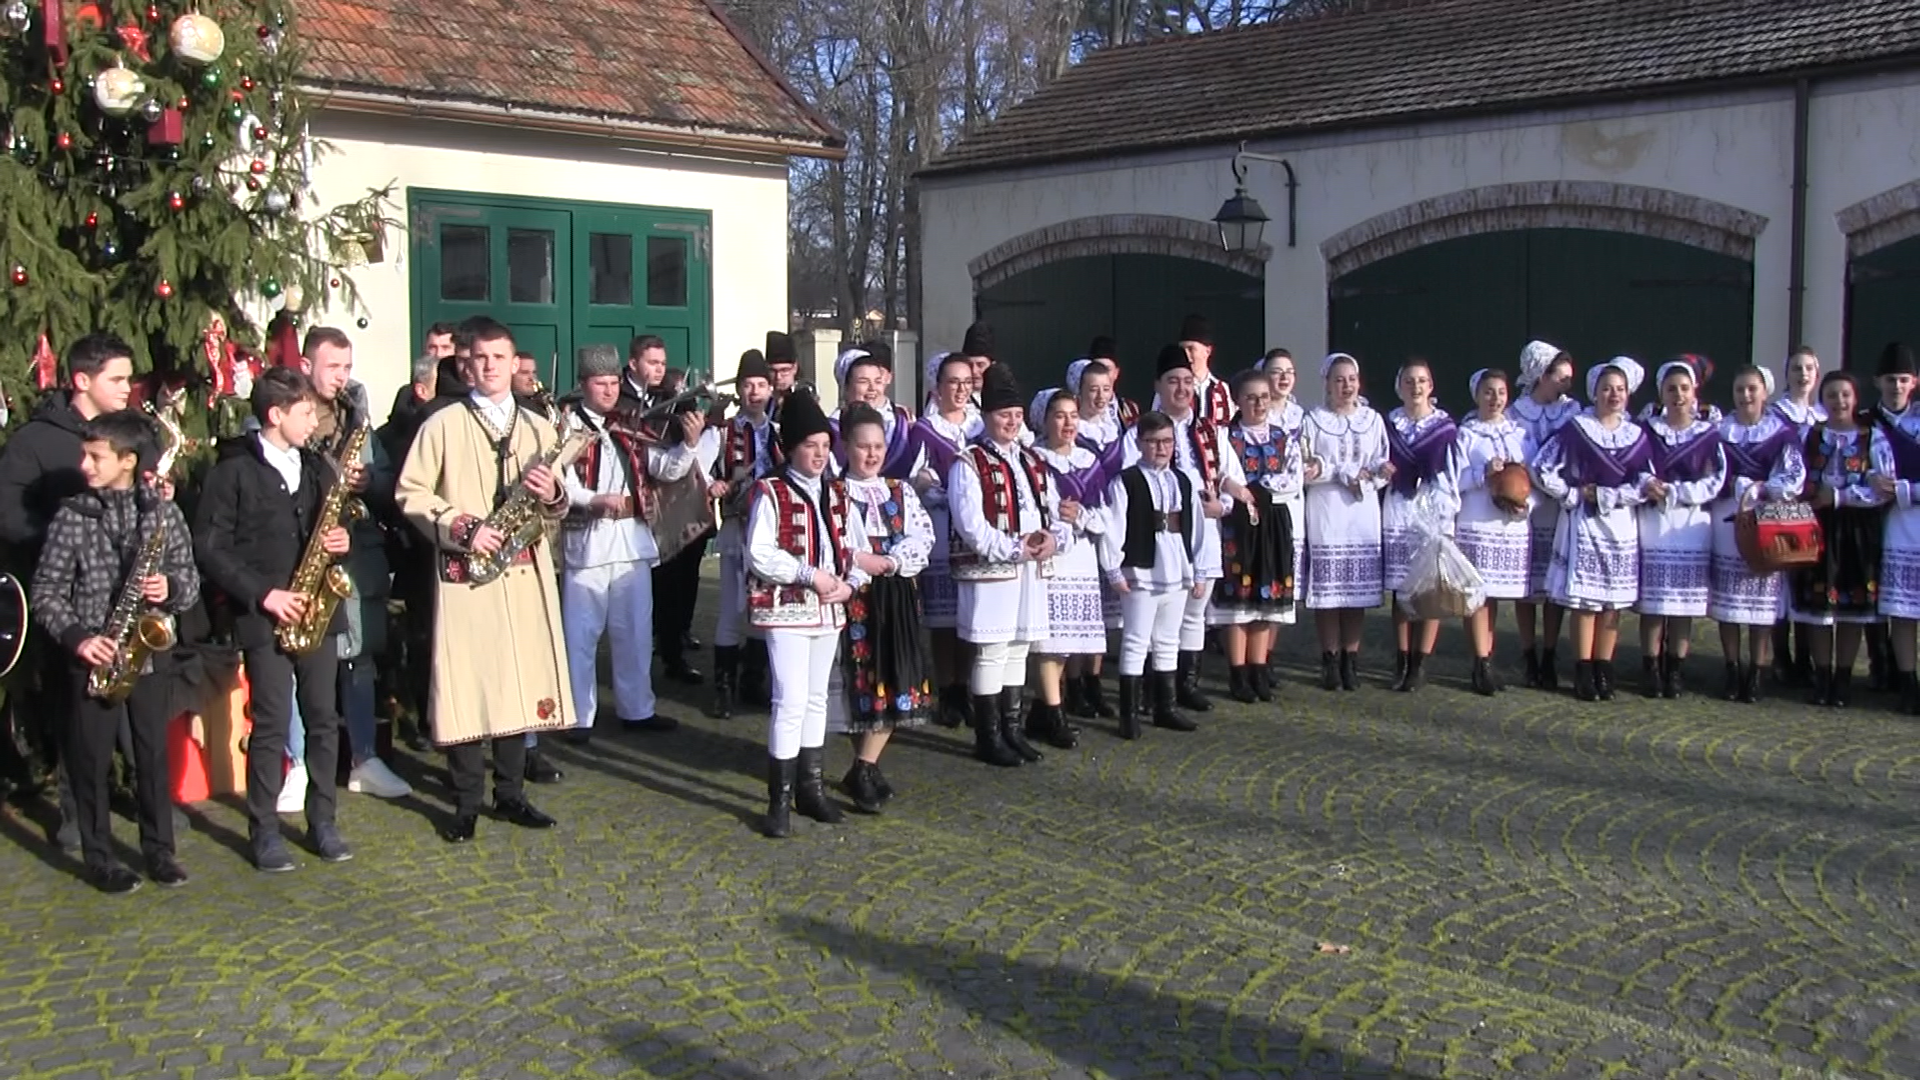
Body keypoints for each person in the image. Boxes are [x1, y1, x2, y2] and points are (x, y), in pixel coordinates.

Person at [395, 318, 573, 843]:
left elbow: (559, 504)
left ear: (515, 362)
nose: (492, 367)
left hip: (522, 575)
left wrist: (553, 495)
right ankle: (466, 799)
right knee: (467, 683)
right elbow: (411, 493)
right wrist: (462, 526)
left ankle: (512, 792)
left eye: (501, 357)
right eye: (481, 358)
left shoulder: (540, 429)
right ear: (466, 364)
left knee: (519, 681)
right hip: (467, 574)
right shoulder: (442, 424)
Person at [194, 367, 354, 871]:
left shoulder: (315, 466)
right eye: (305, 412)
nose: (314, 421)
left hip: (317, 612)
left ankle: (322, 821)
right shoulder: (232, 473)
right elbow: (210, 548)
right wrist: (264, 595)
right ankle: (264, 830)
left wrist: (341, 539)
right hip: (266, 617)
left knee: (324, 720)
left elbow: (340, 518)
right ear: (276, 415)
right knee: (270, 724)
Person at [32, 411, 198, 893]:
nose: (84, 464)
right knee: (91, 761)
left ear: (128, 461)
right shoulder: (72, 516)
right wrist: (79, 638)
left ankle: (159, 851)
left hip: (145, 653)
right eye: (85, 454)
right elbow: (45, 591)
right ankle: (99, 856)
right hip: (94, 657)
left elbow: (189, 584)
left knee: (151, 756)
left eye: (95, 456)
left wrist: (168, 587)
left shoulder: (163, 514)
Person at [0, 332, 135, 849]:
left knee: (122, 706)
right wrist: (64, 541)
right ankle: (78, 817)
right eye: (117, 379)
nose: (128, 387)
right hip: (62, 602)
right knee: (74, 711)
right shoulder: (35, 443)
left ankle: (132, 795)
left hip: (118, 597)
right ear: (82, 381)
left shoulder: (125, 432)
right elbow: (8, 515)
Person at [556, 344, 700, 742]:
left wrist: (688, 445)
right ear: (584, 384)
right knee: (581, 635)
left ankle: (638, 709)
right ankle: (578, 716)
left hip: (632, 543)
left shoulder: (629, 424)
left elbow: (664, 470)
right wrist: (592, 500)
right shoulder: (566, 428)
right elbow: (559, 483)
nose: (609, 390)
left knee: (635, 631)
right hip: (587, 543)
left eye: (613, 383)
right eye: (600, 384)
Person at [745, 390, 870, 837]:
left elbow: (857, 549)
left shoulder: (837, 492)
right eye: (809, 446)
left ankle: (810, 787)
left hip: (828, 611)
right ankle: (777, 799)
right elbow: (759, 553)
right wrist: (808, 574)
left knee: (819, 698)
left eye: (823, 445)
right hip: (787, 610)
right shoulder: (772, 491)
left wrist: (850, 582)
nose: (819, 454)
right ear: (790, 448)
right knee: (791, 700)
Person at [301, 327, 411, 799]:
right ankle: (298, 764)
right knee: (301, 663)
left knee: (359, 658)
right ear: (306, 365)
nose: (342, 378)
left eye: (347, 367)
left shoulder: (358, 419)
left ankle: (364, 758)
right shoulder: (289, 409)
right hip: (305, 557)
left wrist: (372, 483)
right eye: (332, 367)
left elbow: (393, 487)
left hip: (356, 556)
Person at [950, 363, 1070, 767]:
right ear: (986, 417)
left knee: (1019, 647)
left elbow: (1053, 508)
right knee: (992, 650)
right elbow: (970, 525)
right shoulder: (968, 462)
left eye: (1017, 416)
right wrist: (1013, 548)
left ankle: (1012, 729)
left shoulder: (1033, 460)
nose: (1011, 422)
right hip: (991, 571)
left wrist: (1054, 538)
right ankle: (988, 735)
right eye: (1004, 415)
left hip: (1031, 569)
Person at [1126, 345, 1253, 711]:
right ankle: (1153, 688)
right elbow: (1129, 479)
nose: (1182, 388)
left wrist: (1223, 505)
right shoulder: (1142, 431)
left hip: (1203, 532)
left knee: (1195, 610)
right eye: (1173, 381)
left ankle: (1187, 683)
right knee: (1156, 613)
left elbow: (1230, 477)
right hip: (1159, 534)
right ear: (1158, 385)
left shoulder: (1211, 431)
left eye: (1187, 381)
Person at [829, 404, 935, 812]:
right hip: (855, 598)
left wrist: (891, 561)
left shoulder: (900, 490)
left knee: (895, 678)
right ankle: (864, 768)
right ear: (846, 447)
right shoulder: (834, 493)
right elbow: (836, 542)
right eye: (862, 446)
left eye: (878, 446)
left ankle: (864, 767)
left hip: (895, 595)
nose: (871, 454)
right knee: (860, 683)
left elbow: (922, 537)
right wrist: (861, 559)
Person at [1533, 358, 1652, 702]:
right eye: (1606, 389)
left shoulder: (1636, 435)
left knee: (1612, 603)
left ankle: (1605, 667)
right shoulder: (1577, 429)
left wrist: (1618, 495)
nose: (1613, 395)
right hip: (1585, 523)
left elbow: (1645, 478)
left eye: (1619, 389)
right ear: (1594, 393)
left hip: (1620, 524)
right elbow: (1542, 468)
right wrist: (1571, 494)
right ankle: (1583, 669)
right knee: (1586, 601)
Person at [1790, 371, 1892, 707]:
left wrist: (1839, 496)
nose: (1839, 402)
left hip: (1857, 528)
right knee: (1820, 607)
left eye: (1845, 395)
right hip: (1817, 526)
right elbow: (1795, 475)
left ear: (1855, 399)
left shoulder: (1871, 437)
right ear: (1823, 400)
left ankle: (1843, 679)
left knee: (1852, 607)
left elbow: (1883, 489)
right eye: (1832, 395)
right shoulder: (1810, 434)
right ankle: (1822, 677)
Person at [1100, 411, 1200, 738]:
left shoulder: (1182, 480)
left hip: (1176, 564)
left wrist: (1198, 569)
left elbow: (1195, 528)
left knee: (1168, 639)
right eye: (1154, 442)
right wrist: (1113, 569)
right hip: (1141, 566)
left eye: (1168, 441)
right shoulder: (1126, 480)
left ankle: (1165, 707)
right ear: (1140, 443)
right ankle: (1129, 714)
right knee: (1136, 639)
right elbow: (1114, 526)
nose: (1161, 448)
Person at [1708, 365, 1804, 703]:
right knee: (1729, 604)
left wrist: (1764, 488)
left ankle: (1757, 671)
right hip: (1728, 519)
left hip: (1766, 520)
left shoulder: (1782, 432)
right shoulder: (1719, 431)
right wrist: (1736, 485)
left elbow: (1794, 476)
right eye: (1739, 390)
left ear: (1765, 393)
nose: (1746, 396)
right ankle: (1732, 668)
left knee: (1762, 605)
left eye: (1752, 389)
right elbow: (1712, 473)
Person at [1635, 359, 1726, 699]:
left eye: (1684, 389)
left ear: (1694, 393)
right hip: (1655, 520)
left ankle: (1675, 667)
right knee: (1656, 602)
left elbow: (1717, 478)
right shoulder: (1647, 431)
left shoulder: (1707, 434)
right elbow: (1636, 465)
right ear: (1661, 392)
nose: (1678, 395)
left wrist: (1678, 492)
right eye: (1671, 389)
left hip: (1691, 522)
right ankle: (1651, 666)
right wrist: (1649, 483)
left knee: (1682, 604)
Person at [1301, 353, 1390, 691]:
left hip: (1361, 511)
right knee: (1330, 593)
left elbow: (1384, 461)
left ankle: (1351, 660)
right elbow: (1304, 464)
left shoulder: (1372, 419)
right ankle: (1329, 659)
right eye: (1339, 380)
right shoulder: (1314, 420)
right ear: (1327, 384)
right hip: (1327, 509)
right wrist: (1336, 472)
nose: (1346, 386)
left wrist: (1371, 478)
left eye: (1351, 379)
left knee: (1356, 593)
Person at [1210, 368, 1299, 702]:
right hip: (1239, 523)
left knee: (1266, 598)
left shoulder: (1282, 436)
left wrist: (1260, 489)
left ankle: (1259, 669)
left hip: (1273, 520)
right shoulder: (1226, 437)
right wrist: (1236, 488)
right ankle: (1238, 673)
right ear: (1238, 400)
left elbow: (1292, 477)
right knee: (1239, 598)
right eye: (1251, 397)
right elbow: (1220, 475)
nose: (1259, 403)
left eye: (1264, 397)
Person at [1027, 390, 1108, 748]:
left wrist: (1083, 516)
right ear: (1044, 420)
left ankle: (1041, 709)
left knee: (1070, 641)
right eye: (1059, 415)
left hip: (1082, 558)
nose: (1068, 422)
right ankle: (1054, 714)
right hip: (1052, 556)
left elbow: (1108, 516)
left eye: (1073, 415)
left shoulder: (1090, 461)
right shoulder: (1034, 461)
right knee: (1051, 642)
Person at [708, 349, 781, 720]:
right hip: (738, 526)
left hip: (770, 533)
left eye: (761, 385)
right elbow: (699, 469)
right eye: (748, 385)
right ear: (739, 389)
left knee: (762, 605)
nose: (754, 392)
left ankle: (754, 681)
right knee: (731, 607)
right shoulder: (724, 432)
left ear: (770, 389)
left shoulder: (778, 432)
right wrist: (717, 484)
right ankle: (723, 687)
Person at [1451, 369, 1533, 696]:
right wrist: (1481, 474)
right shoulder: (1465, 434)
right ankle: (1479, 663)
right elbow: (1453, 480)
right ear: (1477, 395)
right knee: (1476, 596)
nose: (1495, 398)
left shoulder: (1521, 435)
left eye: (1500, 391)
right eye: (1488, 392)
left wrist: (1525, 504)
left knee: (1494, 596)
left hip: (1508, 527)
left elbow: (1535, 480)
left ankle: (1488, 656)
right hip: (1477, 523)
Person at [909, 351, 979, 728]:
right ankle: (947, 689)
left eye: (967, 382)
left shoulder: (981, 426)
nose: (961, 389)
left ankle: (965, 687)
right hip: (939, 528)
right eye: (954, 382)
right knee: (943, 617)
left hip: (975, 531)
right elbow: (912, 477)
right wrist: (926, 485)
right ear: (938, 388)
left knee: (971, 613)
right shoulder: (925, 429)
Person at [1381, 359, 1459, 692]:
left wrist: (1444, 513)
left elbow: (1454, 474)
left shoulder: (1445, 428)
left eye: (1422, 381)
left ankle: (1419, 662)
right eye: (1410, 381)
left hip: (1433, 510)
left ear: (1431, 386)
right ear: (1400, 386)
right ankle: (1401, 658)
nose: (1416, 387)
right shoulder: (1388, 424)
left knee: (1430, 589)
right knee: (1402, 590)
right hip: (1399, 509)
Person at [1508, 341, 1581, 690]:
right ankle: (1528, 653)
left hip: (1559, 505)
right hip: (1526, 506)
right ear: (1541, 376)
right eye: (1560, 377)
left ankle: (1550, 653)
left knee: (1552, 585)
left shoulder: (1572, 412)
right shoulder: (1516, 412)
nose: (1566, 385)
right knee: (1527, 585)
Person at [1066, 357, 1126, 719]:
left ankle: (1094, 680)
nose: (1101, 397)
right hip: (1081, 531)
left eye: (1106, 389)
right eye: (1093, 390)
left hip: (1112, 522)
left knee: (1104, 614)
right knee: (1080, 613)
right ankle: (1073, 685)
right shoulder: (1075, 431)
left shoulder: (1117, 429)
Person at [1767, 346, 1826, 687]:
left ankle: (1804, 655)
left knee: (1807, 577)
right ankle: (1780, 655)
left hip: (1814, 508)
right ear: (1787, 375)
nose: (1802, 374)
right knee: (1781, 580)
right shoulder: (1777, 415)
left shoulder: (1823, 415)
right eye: (1796, 369)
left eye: (1808, 369)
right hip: (1782, 506)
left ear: (1816, 374)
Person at [832, 343, 923, 478]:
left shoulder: (902, 419)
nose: (872, 388)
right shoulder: (833, 427)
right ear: (846, 386)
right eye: (863, 381)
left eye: (877, 381)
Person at [1154, 315, 1232, 427]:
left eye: (1191, 349)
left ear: (1208, 351)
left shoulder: (1222, 389)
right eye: (1182, 349)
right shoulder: (1170, 387)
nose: (1186, 355)